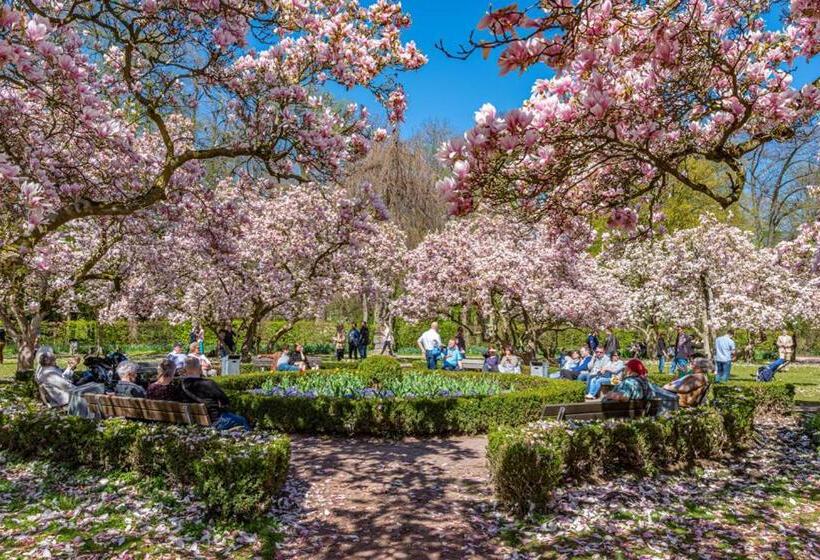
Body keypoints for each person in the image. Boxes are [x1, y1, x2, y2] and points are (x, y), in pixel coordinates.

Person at [179, 356, 249, 430]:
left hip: (194, 421)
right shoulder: (208, 384)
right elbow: (225, 400)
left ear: (185, 369)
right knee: (242, 420)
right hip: (216, 421)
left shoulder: (181, 385)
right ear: (199, 368)